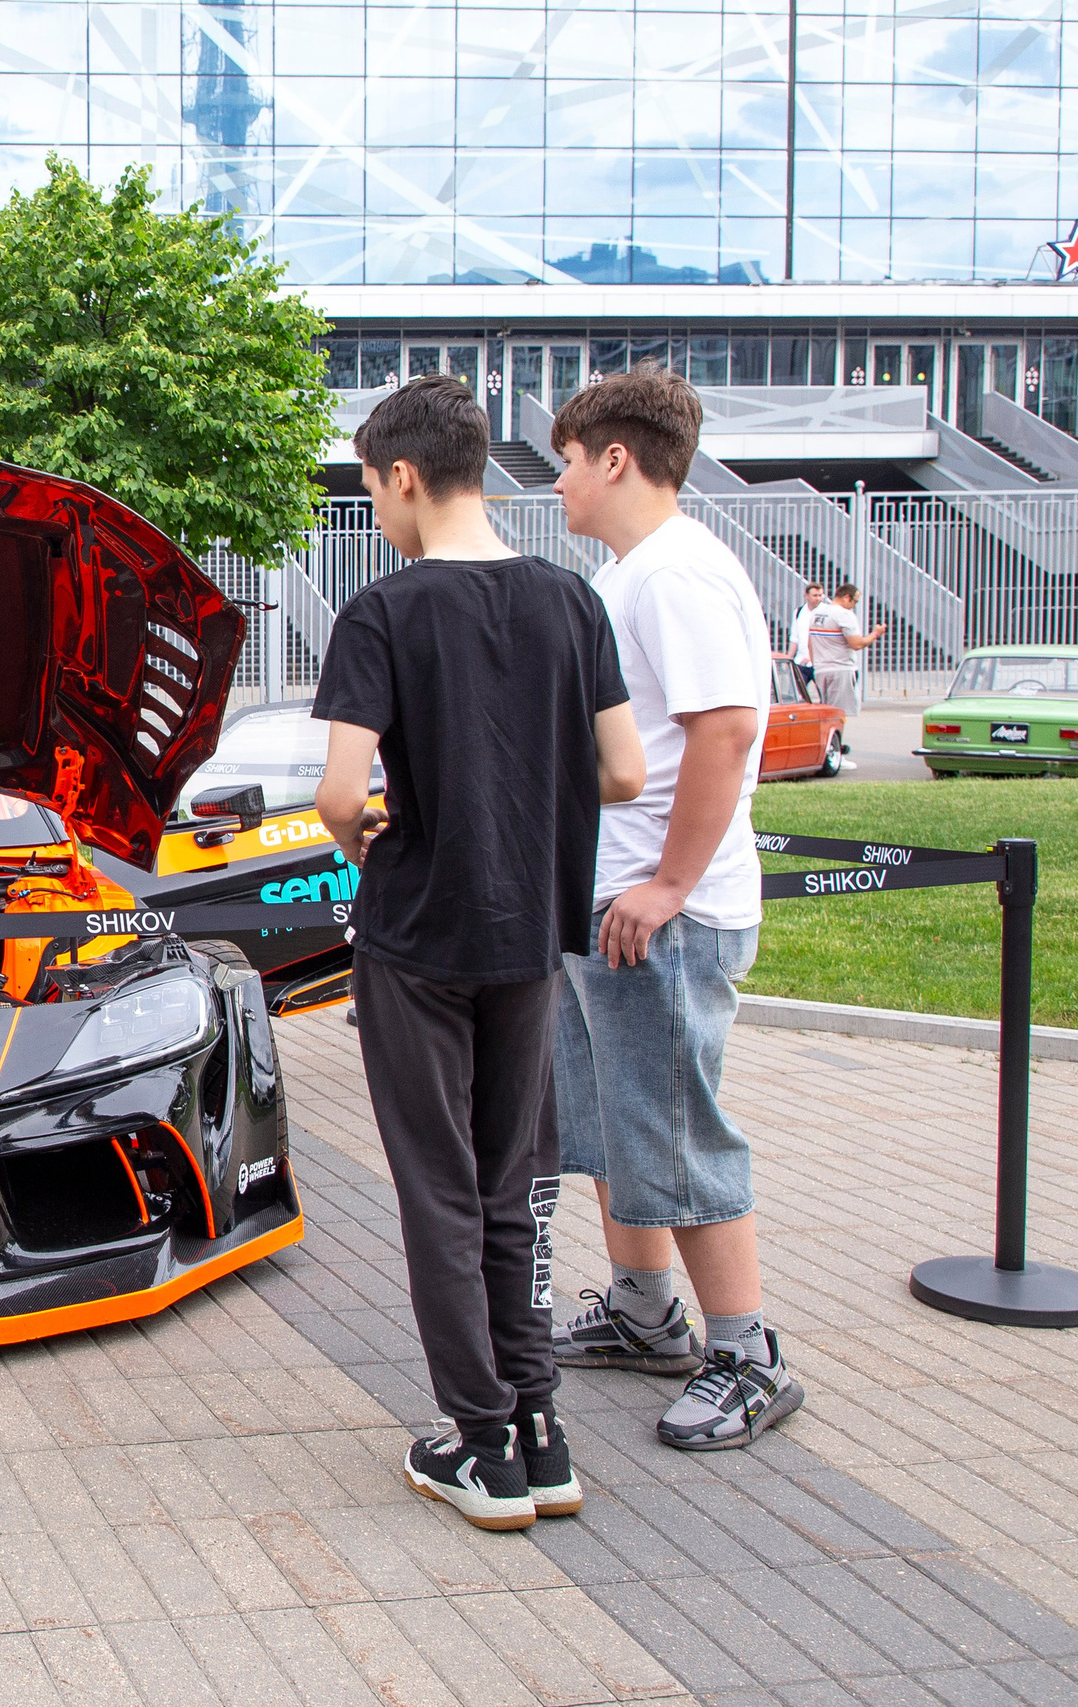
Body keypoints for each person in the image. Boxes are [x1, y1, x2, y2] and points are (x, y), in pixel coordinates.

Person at [311, 376, 646, 1531]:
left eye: (368, 490)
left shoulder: (385, 613)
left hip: (416, 937)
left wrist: (376, 822)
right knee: (513, 1183)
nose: (374, 512)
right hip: (527, 936)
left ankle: (480, 1441)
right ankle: (540, 1431)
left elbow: (339, 795)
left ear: (402, 476)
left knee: (437, 1190)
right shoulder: (569, 601)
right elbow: (625, 774)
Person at [546, 362, 804, 1452]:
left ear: (614, 458)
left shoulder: (676, 576)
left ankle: (747, 1353)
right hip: (611, 902)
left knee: (678, 1131)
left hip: (662, 914)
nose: (556, 484)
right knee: (610, 1129)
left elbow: (726, 732)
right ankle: (648, 1315)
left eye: (563, 462)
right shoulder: (630, 575)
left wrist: (666, 886)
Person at [804, 583, 885, 769]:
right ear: (847, 598)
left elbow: (810, 642)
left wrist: (816, 665)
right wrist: (875, 634)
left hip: (822, 669)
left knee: (827, 712)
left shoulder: (817, 613)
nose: (854, 605)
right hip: (841, 669)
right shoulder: (844, 615)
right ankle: (835, 753)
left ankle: (829, 751)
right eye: (854, 601)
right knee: (838, 715)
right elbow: (856, 644)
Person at [787, 583, 826, 698]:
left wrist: (810, 656)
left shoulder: (825, 612)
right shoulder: (799, 612)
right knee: (797, 695)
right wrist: (789, 657)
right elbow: (794, 637)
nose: (818, 598)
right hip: (800, 662)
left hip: (819, 662)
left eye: (820, 595)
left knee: (823, 696)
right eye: (815, 595)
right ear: (807, 596)